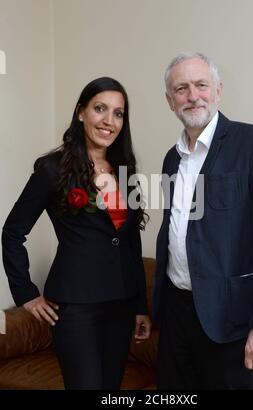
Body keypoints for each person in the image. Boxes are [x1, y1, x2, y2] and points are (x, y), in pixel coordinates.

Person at [153, 52, 253, 390]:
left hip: (233, 320)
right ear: (169, 100)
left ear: (218, 90)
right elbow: (174, 231)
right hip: (177, 314)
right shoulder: (171, 159)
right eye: (181, 88)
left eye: (201, 85)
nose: (192, 96)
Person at [2, 77, 151, 390]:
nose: (109, 121)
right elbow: (13, 232)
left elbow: (129, 241)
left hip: (121, 305)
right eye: (100, 109)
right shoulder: (51, 169)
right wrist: (26, 294)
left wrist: (140, 306)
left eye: (119, 113)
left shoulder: (124, 168)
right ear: (81, 112)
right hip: (76, 307)